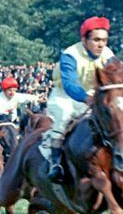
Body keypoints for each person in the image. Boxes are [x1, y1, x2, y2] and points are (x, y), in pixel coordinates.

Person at [41, 16, 116, 181]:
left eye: (104, 40)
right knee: (64, 115)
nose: (101, 45)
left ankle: (120, 163)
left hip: (92, 94)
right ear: (84, 40)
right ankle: (55, 163)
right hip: (64, 95)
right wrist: (86, 98)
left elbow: (116, 76)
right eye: (96, 40)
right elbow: (69, 84)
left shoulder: (108, 54)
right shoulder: (70, 54)